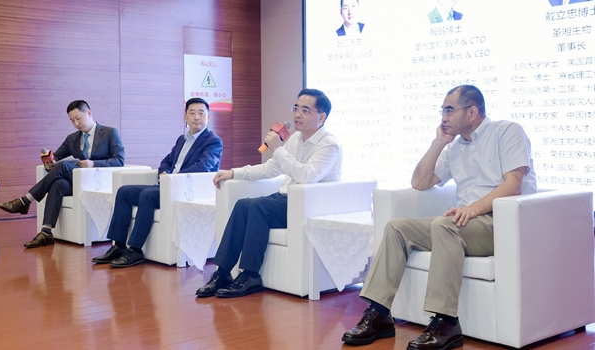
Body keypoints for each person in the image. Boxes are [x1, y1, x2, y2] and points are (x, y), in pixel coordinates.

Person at [342, 85, 537, 349]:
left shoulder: (506, 131)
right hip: (463, 223)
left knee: (445, 225)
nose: (443, 117)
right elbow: (420, 182)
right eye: (442, 111)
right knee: (397, 228)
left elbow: (514, 184)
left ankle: (446, 322)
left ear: (472, 112)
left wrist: (474, 208)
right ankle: (379, 314)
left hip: (500, 223)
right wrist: (439, 143)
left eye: (449, 110)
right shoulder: (454, 147)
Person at [196, 89, 342, 298]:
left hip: (309, 205)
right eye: (296, 108)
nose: (297, 114)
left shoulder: (329, 145)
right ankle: (223, 272)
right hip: (285, 199)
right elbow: (271, 168)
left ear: (321, 117)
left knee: (258, 207)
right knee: (243, 204)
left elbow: (307, 176)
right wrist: (235, 172)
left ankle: (250, 276)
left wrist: (278, 149)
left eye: (305, 110)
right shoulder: (295, 139)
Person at [92, 97, 223, 268]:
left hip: (186, 190)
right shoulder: (182, 139)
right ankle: (119, 246)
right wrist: (164, 172)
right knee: (124, 191)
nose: (197, 117)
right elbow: (167, 160)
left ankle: (135, 250)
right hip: (167, 185)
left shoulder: (213, 141)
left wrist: (172, 178)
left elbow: (203, 167)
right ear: (185, 117)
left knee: (147, 195)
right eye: (192, 113)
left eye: (201, 113)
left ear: (208, 117)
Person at [0, 100, 125, 248]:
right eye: (72, 121)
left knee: (64, 166)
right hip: (77, 182)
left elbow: (119, 160)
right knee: (59, 183)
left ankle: (26, 200)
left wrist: (93, 163)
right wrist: (50, 163)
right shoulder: (72, 138)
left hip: (98, 182)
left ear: (89, 113)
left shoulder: (109, 133)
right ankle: (46, 232)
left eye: (78, 118)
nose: (76, 123)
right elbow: (56, 157)